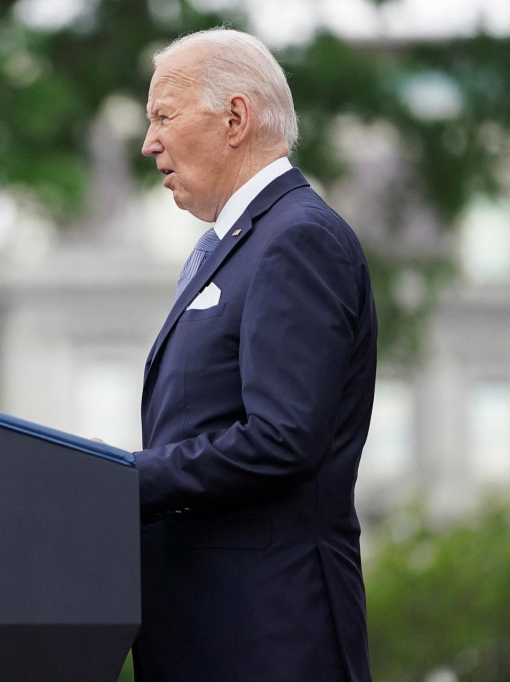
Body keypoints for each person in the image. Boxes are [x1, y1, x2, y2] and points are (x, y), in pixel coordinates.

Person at [132, 28, 376, 682]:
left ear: (235, 117)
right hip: (207, 633)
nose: (149, 141)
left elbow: (283, 438)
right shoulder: (240, 244)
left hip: (265, 637)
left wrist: (126, 478)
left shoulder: (298, 240)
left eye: (163, 115)